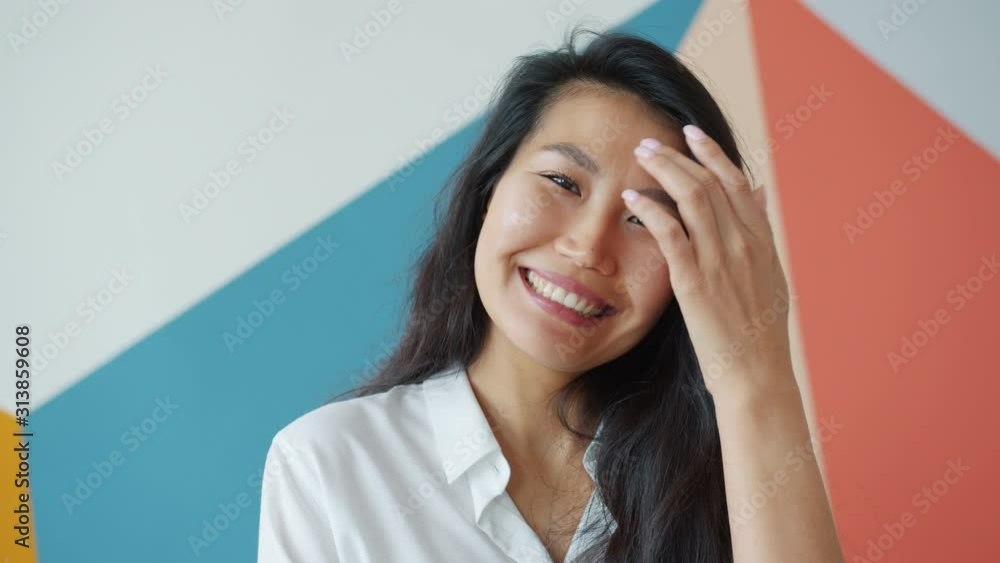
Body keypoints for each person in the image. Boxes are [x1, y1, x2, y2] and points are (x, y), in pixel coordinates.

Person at [257, 27, 845, 563]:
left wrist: (753, 370)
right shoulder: (331, 463)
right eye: (563, 182)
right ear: (490, 192)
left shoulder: (741, 474)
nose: (590, 247)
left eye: (646, 219)